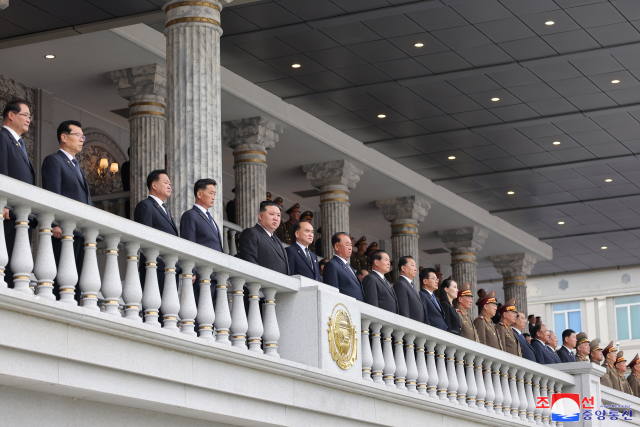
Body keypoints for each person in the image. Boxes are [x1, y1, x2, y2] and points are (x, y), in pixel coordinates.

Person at [42, 120, 92, 299]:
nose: (81, 140)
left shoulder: (78, 166)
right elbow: (52, 193)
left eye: (83, 136)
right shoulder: (54, 161)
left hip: (79, 231)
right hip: (62, 230)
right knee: (61, 281)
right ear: (64, 137)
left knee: (77, 279)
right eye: (77, 135)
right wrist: (55, 223)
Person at [1, 99, 36, 289]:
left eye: (30, 117)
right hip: (8, 212)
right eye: (25, 115)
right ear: (11, 115)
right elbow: (2, 171)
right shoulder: (3, 138)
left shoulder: (18, 143)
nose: (29, 120)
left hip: (21, 214)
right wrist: (3, 204)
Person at [134, 170, 179, 295]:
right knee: (154, 311)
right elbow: (145, 238)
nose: (169, 186)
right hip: (155, 267)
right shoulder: (145, 206)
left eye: (170, 183)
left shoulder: (166, 210)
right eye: (166, 182)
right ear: (154, 185)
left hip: (170, 268)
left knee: (169, 312)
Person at [237, 200, 289, 275]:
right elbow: (250, 263)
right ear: (260, 216)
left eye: (278, 215)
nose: (276, 218)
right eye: (272, 214)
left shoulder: (277, 240)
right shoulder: (251, 233)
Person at [180, 178, 223, 252]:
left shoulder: (210, 219)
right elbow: (189, 245)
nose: (213, 197)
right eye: (211, 193)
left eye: (214, 194)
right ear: (199, 194)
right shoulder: (191, 215)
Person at [322, 232, 364, 301]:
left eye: (351, 245)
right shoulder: (332, 265)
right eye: (347, 245)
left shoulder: (348, 266)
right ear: (337, 246)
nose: (350, 248)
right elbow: (332, 293)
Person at [394, 256, 425, 323]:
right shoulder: (400, 284)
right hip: (411, 328)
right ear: (403, 268)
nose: (415, 269)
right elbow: (403, 310)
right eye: (412, 265)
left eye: (415, 266)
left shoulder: (412, 285)